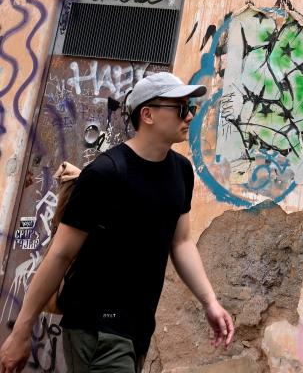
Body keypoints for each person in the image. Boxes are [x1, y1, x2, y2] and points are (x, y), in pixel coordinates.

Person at [0, 72, 234, 373]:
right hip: (96, 328)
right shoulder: (105, 174)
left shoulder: (181, 171)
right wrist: (22, 332)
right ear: (147, 114)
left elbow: (181, 241)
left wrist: (209, 302)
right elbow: (61, 254)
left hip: (137, 329)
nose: (189, 116)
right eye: (180, 107)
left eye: (190, 107)